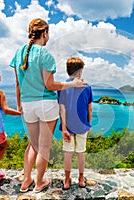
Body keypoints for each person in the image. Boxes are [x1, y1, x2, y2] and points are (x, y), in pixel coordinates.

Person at [9, 18, 86, 193]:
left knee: (33, 144)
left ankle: (25, 181)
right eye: (48, 33)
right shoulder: (45, 55)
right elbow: (50, 85)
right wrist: (71, 85)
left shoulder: (18, 53)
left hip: (28, 104)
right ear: (45, 33)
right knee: (43, 146)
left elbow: (17, 83)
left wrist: (20, 104)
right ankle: (39, 183)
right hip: (46, 104)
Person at [58, 57, 93, 190]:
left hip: (67, 126)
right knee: (81, 153)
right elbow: (89, 108)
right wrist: (88, 123)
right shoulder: (87, 86)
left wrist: (64, 127)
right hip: (82, 125)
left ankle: (67, 180)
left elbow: (62, 108)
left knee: (68, 153)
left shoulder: (62, 86)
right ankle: (81, 179)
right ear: (79, 72)